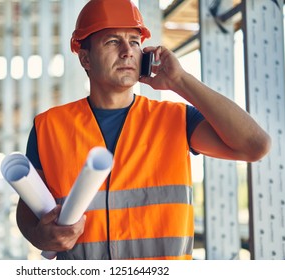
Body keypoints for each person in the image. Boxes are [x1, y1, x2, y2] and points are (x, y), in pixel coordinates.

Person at [16, 0, 271, 260]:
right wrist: (39, 235)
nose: (127, 51)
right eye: (113, 41)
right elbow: (27, 211)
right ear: (85, 58)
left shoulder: (177, 120)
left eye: (135, 42)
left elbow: (255, 146)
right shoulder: (48, 127)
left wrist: (179, 81)